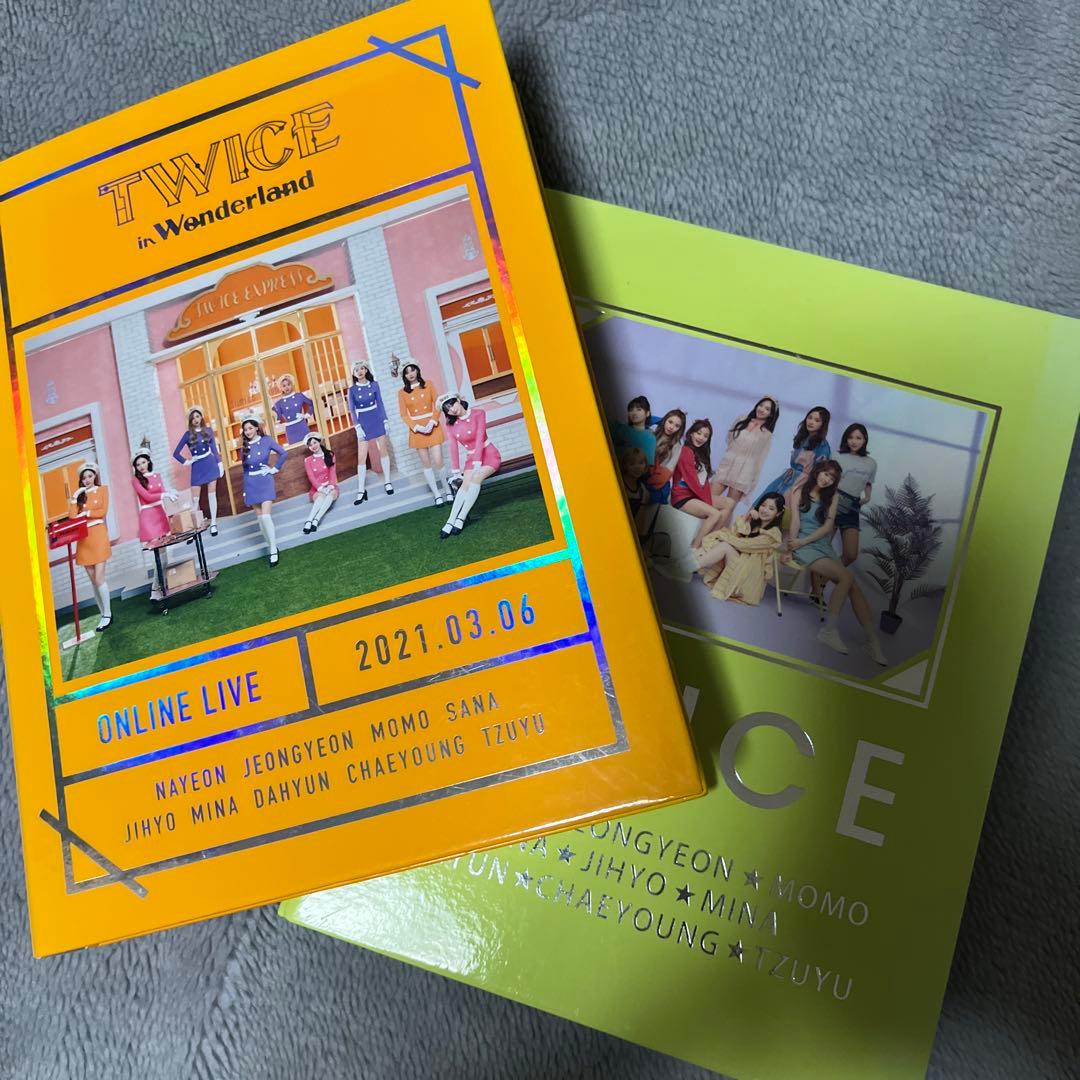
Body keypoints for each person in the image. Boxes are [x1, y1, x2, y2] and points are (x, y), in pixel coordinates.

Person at [785, 460, 887, 664]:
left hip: (820, 544)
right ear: (817, 472)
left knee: (853, 586)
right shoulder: (799, 491)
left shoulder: (833, 497)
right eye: (825, 474)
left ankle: (872, 641)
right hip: (803, 546)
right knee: (847, 577)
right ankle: (829, 631)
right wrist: (791, 546)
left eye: (832, 478)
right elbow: (795, 521)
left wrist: (806, 540)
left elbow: (827, 528)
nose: (827, 479)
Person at [654, 493, 785, 608]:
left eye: (771, 508)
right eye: (763, 505)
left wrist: (723, 536)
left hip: (747, 576)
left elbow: (743, 544)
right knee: (720, 541)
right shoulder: (753, 523)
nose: (765, 510)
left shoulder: (773, 535)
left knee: (724, 544)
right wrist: (747, 517)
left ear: (778, 513)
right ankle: (682, 567)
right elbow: (733, 534)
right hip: (739, 564)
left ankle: (682, 568)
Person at [438, 394, 501, 538]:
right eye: (447, 409)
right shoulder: (450, 425)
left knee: (476, 478)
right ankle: (450, 520)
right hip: (471, 458)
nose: (452, 410)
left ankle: (461, 518)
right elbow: (453, 447)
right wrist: (455, 471)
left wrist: (478, 461)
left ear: (458, 400)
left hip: (489, 455)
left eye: (452, 404)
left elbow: (479, 438)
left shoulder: (478, 413)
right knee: (465, 485)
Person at [711, 396, 779, 525]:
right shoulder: (741, 419)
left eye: (767, 409)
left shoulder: (767, 435)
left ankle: (716, 535)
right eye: (761, 405)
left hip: (744, 472)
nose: (762, 410)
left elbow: (760, 460)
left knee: (728, 508)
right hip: (727, 465)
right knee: (709, 499)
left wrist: (752, 483)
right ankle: (702, 531)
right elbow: (729, 439)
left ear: (771, 414)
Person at [68, 462, 112, 631]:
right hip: (84, 540)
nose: (87, 480)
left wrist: (86, 513)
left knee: (99, 578)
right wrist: (74, 497)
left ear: (95, 476)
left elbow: (102, 512)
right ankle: (103, 614)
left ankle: (108, 614)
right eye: (84, 477)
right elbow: (73, 517)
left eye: (90, 476)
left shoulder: (103, 490)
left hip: (99, 536)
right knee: (94, 581)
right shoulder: (80, 496)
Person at [398, 361, 448, 506]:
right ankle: (436, 494)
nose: (410, 374)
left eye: (412, 370)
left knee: (438, 460)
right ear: (404, 376)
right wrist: (417, 427)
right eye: (407, 372)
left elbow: (437, 404)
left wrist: (432, 422)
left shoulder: (429, 384)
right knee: (426, 463)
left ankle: (447, 489)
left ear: (417, 370)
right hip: (417, 430)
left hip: (433, 426)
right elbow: (403, 415)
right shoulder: (402, 393)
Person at [758, 405, 832, 502]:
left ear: (823, 424)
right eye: (809, 418)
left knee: (783, 504)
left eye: (817, 420)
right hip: (787, 477)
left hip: (802, 483)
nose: (811, 422)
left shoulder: (823, 446)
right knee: (766, 498)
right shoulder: (802, 438)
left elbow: (820, 472)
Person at [671, 419, 723, 548]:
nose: (701, 438)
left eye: (705, 436)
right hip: (681, 496)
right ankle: (695, 548)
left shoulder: (700, 455)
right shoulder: (686, 450)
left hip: (692, 495)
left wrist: (706, 501)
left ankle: (708, 542)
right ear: (691, 433)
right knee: (715, 513)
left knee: (728, 504)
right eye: (699, 433)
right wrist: (706, 502)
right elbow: (692, 481)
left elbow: (703, 483)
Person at [240, 417, 285, 567]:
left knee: (266, 517)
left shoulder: (267, 440)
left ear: (256, 427)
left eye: (250, 428)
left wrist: (274, 469)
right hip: (251, 484)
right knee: (260, 521)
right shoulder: (244, 447)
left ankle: (273, 550)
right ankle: (271, 546)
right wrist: (245, 490)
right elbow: (245, 470)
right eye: (245, 430)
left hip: (265, 480)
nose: (248, 432)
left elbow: (283, 453)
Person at [172, 406, 223, 536]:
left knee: (212, 495)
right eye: (193, 417)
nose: (195, 419)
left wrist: (219, 463)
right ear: (190, 420)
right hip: (197, 466)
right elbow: (176, 453)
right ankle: (193, 528)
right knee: (195, 499)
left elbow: (214, 448)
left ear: (201, 417)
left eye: (197, 416)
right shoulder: (187, 435)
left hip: (210, 464)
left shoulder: (208, 431)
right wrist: (187, 462)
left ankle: (213, 523)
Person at [831, 422, 878, 566]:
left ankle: (825, 576)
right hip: (834, 500)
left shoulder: (871, 463)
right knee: (822, 548)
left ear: (865, 440)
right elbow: (828, 478)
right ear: (846, 439)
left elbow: (868, 482)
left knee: (851, 555)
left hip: (853, 506)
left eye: (858, 438)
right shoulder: (837, 456)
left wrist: (867, 497)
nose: (854, 441)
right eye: (850, 437)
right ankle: (818, 581)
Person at [348, 360, 393, 504]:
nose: (360, 371)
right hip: (363, 421)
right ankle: (361, 489)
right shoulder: (352, 390)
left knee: (383, 450)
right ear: (354, 373)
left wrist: (385, 420)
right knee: (361, 457)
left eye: (362, 368)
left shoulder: (374, 385)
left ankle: (387, 481)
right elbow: (352, 410)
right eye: (356, 370)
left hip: (376, 418)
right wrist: (357, 427)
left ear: (366, 370)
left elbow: (380, 403)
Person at [131, 444, 174, 544]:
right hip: (148, 515)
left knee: (165, 544)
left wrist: (170, 492)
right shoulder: (136, 480)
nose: (141, 466)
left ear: (148, 461)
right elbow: (147, 497)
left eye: (143, 462)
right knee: (154, 544)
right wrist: (163, 495)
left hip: (160, 512)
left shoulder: (157, 476)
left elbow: (163, 491)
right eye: (138, 465)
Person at [646, 409, 686, 504]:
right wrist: (660, 420)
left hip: (659, 482)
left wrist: (647, 483)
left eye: (677, 426)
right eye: (670, 422)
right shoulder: (652, 434)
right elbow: (644, 421)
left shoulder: (677, 446)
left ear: (680, 429)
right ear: (664, 420)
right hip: (643, 473)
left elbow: (668, 470)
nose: (671, 427)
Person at [302, 435, 338, 534]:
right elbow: (311, 476)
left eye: (314, 442)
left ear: (319, 442)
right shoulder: (308, 460)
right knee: (321, 497)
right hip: (317, 488)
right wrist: (320, 488)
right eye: (310, 445)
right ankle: (309, 520)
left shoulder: (330, 455)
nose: (313, 446)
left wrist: (330, 486)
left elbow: (332, 472)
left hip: (330, 485)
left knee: (330, 495)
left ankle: (316, 520)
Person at [610, 395, 657, 464]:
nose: (634, 413)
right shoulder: (620, 428)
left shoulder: (650, 437)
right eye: (631, 410)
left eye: (639, 409)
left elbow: (648, 464)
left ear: (647, 413)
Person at [272, 374, 315, 446]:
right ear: (281, 388)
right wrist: (277, 420)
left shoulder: (299, 396)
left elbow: (312, 404)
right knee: (295, 449)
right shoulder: (279, 403)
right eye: (284, 386)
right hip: (290, 429)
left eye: (288, 384)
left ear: (292, 384)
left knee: (308, 445)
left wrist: (307, 415)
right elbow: (276, 417)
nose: (287, 387)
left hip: (302, 425)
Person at [619, 446, 651, 531]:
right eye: (632, 464)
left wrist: (644, 502)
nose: (637, 467)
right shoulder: (619, 483)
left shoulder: (643, 490)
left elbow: (639, 528)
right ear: (625, 466)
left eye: (641, 463)